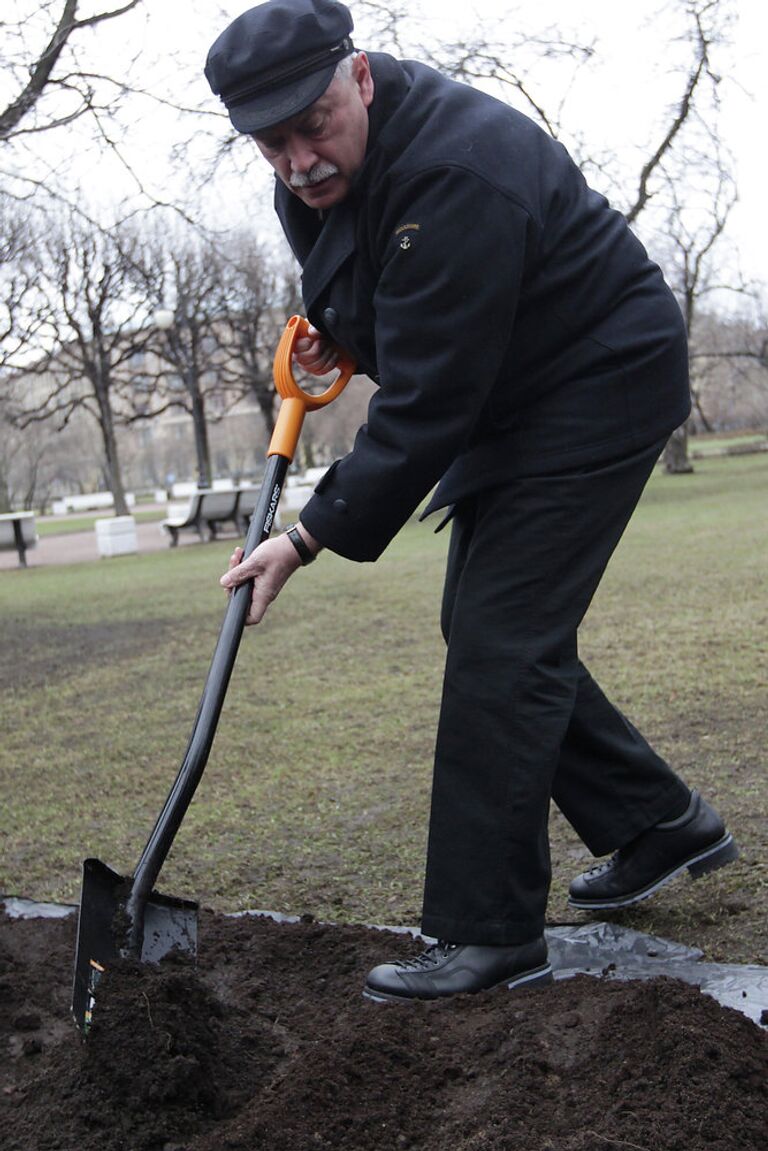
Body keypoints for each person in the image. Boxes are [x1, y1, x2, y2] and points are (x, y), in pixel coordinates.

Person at [206, 0, 739, 1003]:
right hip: (518, 386)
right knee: (492, 624)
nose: (300, 159)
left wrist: (308, 533)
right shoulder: (328, 176)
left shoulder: (458, 170)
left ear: (359, 76)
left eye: (314, 123)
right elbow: (389, 309)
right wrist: (344, 342)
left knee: (502, 638)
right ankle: (657, 823)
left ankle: (486, 931)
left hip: (596, 381)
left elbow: (431, 397)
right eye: (272, 143)